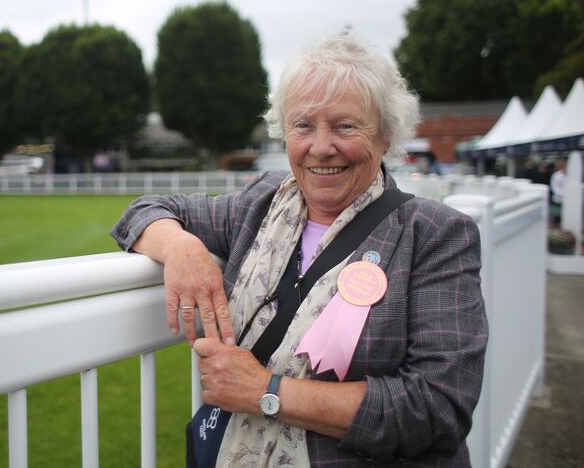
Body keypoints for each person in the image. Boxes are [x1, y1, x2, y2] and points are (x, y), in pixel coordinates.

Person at [112, 31, 487, 466]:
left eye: (345, 126)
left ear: (386, 135)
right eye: (303, 125)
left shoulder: (433, 234)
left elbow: (438, 406)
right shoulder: (260, 205)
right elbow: (144, 211)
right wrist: (182, 248)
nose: (321, 147)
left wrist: (265, 391)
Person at [550, 158, 566, 225]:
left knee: (565, 216)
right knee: (557, 217)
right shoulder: (556, 175)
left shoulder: (569, 175)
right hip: (558, 200)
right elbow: (555, 188)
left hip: (567, 200)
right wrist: (564, 195)